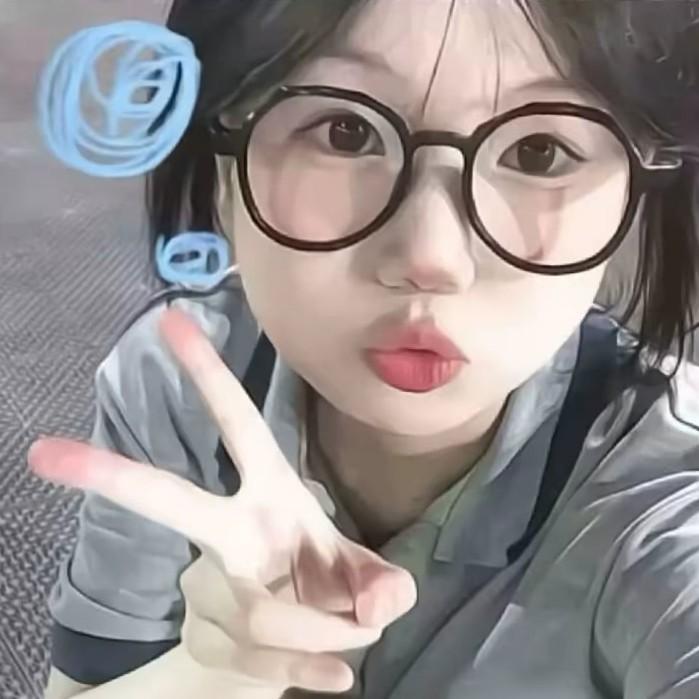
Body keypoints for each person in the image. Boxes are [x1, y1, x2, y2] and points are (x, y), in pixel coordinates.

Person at [28, 0, 699, 696]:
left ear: (638, 186)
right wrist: (211, 674)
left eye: (539, 151)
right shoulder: (184, 380)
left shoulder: (663, 486)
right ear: (222, 163)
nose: (430, 258)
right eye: (344, 132)